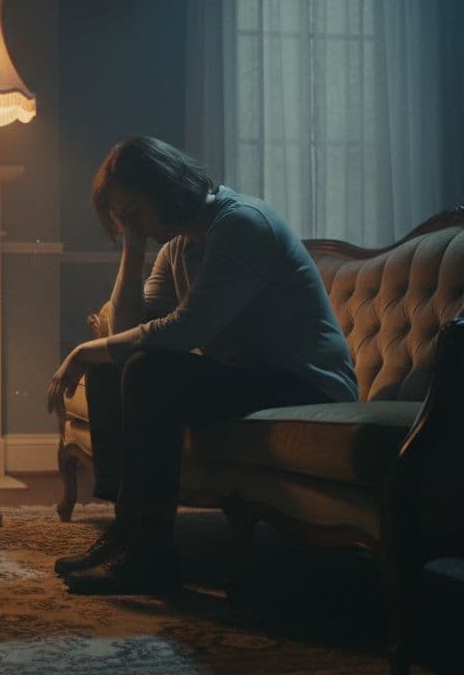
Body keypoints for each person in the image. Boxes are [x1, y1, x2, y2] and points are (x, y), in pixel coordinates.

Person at [47, 136, 357, 595]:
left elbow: (188, 329)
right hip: (251, 376)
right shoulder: (179, 248)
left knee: (148, 370)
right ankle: (128, 532)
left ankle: (150, 555)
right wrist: (132, 243)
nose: (131, 223)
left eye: (134, 212)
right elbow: (129, 325)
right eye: (121, 217)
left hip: (304, 384)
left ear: (163, 186)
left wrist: (86, 349)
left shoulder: (241, 224)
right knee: (118, 364)